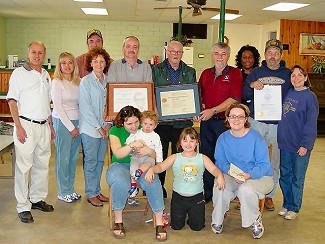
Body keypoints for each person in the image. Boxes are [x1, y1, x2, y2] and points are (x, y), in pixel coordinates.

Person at [6, 41, 55, 223]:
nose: (37, 55)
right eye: (33, 52)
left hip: (43, 126)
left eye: (40, 52)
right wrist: (18, 126)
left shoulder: (45, 75)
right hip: (25, 126)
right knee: (23, 167)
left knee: (42, 164)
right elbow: (12, 101)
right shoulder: (19, 74)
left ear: (44, 54)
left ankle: (37, 199)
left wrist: (50, 126)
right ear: (28, 53)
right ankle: (22, 206)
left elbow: (47, 103)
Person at [242, 39, 292, 211]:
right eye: (269, 53)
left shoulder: (288, 74)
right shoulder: (256, 72)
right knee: (253, 158)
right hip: (257, 122)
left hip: (278, 125)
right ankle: (251, 192)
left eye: (276, 53)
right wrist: (251, 85)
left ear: (281, 55)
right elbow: (244, 94)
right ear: (265, 54)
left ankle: (269, 195)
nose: (272, 56)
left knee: (274, 161)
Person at [211, 102, 274, 239]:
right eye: (232, 116)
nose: (236, 120)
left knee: (245, 189)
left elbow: (263, 165)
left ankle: (255, 220)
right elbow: (220, 162)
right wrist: (230, 173)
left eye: (240, 117)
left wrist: (247, 175)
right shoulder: (223, 139)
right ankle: (217, 219)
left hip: (260, 177)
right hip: (233, 175)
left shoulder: (256, 138)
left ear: (246, 119)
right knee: (219, 184)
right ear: (227, 118)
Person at [145, 127, 225, 231]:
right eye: (185, 140)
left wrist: (220, 176)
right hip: (178, 198)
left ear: (197, 142)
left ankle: (192, 216)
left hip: (197, 197)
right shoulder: (174, 157)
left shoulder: (202, 158)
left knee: (197, 227)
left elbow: (214, 169)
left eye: (192, 140)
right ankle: (177, 215)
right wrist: (152, 170)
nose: (188, 144)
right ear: (180, 142)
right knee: (176, 227)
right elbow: (161, 167)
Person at [106, 105, 167, 241]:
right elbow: (118, 153)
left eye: (136, 122)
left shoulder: (145, 128)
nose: (133, 127)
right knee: (121, 181)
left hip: (142, 165)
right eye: (129, 124)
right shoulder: (115, 130)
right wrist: (131, 145)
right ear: (122, 122)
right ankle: (118, 221)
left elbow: (155, 153)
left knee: (152, 181)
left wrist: (149, 152)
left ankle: (159, 222)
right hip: (119, 165)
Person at [194, 42, 242, 203]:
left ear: (228, 56)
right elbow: (198, 96)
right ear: (212, 55)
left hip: (225, 123)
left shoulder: (235, 74)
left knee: (227, 158)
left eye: (223, 54)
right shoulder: (206, 74)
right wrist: (196, 111)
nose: (219, 57)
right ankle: (208, 192)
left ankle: (229, 192)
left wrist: (213, 110)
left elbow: (234, 99)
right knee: (207, 157)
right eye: (216, 53)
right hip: (207, 123)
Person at [152, 40, 196, 198]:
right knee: (160, 156)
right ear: (167, 52)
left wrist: (195, 110)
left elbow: (192, 94)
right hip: (161, 123)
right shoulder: (156, 70)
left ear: (182, 54)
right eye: (172, 51)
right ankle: (158, 188)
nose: (175, 54)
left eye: (179, 52)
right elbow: (152, 93)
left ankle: (182, 187)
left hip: (182, 123)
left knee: (182, 157)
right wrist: (155, 113)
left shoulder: (190, 71)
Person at [277, 65, 319, 220]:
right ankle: (287, 204)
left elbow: (310, 124)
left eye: (299, 75)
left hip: (300, 146)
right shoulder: (289, 93)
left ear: (305, 78)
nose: (296, 78)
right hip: (285, 144)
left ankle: (294, 207)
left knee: (297, 177)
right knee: (285, 175)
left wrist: (306, 145)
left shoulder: (310, 97)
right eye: (293, 76)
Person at [79, 47, 111, 207]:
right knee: (91, 161)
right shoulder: (85, 82)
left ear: (106, 63)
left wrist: (108, 125)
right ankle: (91, 193)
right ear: (90, 63)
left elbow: (111, 106)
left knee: (99, 162)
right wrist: (99, 127)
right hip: (90, 130)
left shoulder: (108, 81)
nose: (99, 64)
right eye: (95, 61)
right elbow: (86, 108)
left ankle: (97, 190)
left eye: (102, 61)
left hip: (105, 129)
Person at [51, 51, 81, 203]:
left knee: (73, 158)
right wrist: (71, 128)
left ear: (74, 65)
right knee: (63, 158)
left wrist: (79, 125)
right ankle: (63, 191)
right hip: (63, 123)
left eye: (70, 62)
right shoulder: (57, 82)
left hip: (77, 123)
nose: (67, 66)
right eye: (63, 63)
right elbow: (58, 107)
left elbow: (81, 105)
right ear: (59, 65)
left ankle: (70, 189)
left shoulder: (78, 81)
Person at [126, 110, 163, 198]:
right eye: (145, 123)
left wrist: (159, 162)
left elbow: (158, 149)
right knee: (132, 167)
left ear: (155, 125)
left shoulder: (155, 136)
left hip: (149, 156)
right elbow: (128, 141)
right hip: (136, 156)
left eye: (151, 125)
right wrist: (133, 144)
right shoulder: (137, 133)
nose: (147, 127)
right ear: (141, 123)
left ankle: (139, 171)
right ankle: (133, 186)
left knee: (149, 163)